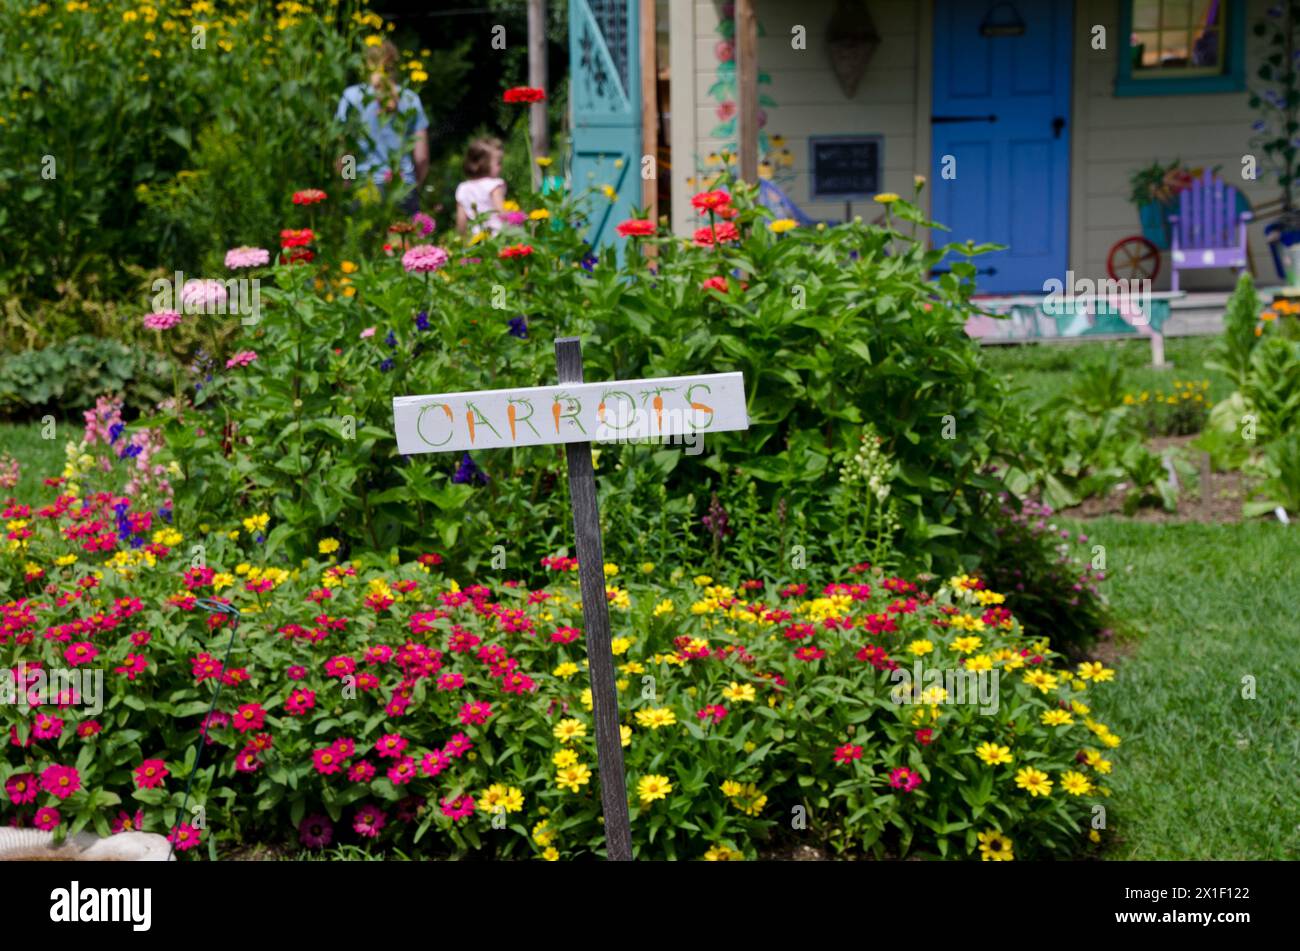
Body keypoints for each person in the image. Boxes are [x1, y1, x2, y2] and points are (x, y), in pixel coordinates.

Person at [336, 39, 429, 215]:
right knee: (403, 242)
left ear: (365, 64)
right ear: (394, 64)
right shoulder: (410, 99)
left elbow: (347, 151)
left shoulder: (352, 97)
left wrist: (348, 183)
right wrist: (413, 185)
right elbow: (421, 157)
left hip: (364, 188)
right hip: (402, 188)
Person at [455, 138, 506, 236]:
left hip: (478, 238)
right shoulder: (494, 185)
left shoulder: (463, 188)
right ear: (483, 164)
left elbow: (461, 222)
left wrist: (462, 239)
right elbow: (501, 212)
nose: (501, 167)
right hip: (497, 235)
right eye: (498, 163)